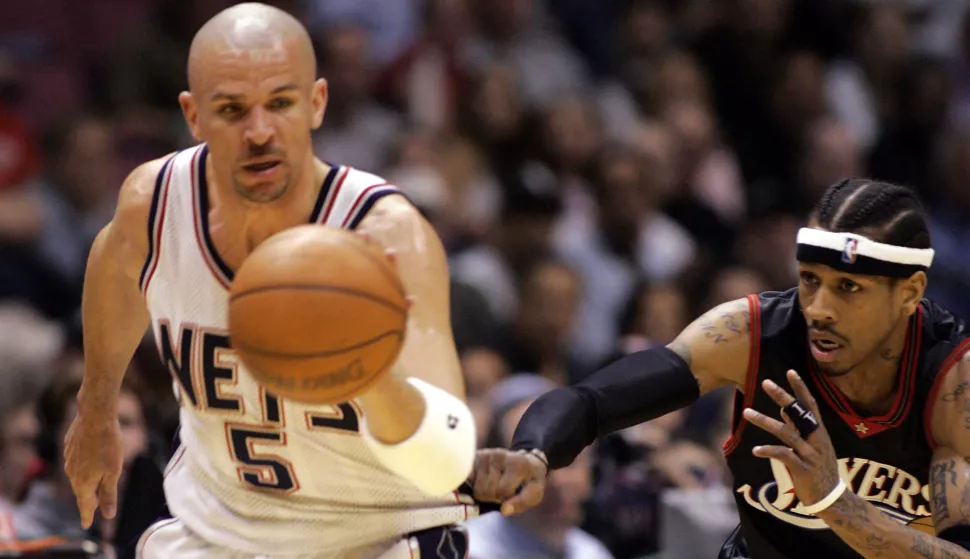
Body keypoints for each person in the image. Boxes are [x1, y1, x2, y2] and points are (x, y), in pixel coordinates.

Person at [63, 3, 477, 558]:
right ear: (193, 115)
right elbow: (114, 269)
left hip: (379, 533)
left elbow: (448, 458)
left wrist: (371, 377)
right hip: (222, 531)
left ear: (317, 102)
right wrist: (96, 408)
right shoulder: (156, 203)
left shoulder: (387, 236)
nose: (259, 132)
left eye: (280, 103)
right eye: (232, 110)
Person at [472, 178, 970, 558]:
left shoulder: (953, 382)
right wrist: (534, 452)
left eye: (849, 288)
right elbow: (592, 401)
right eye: (810, 280)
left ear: (909, 293)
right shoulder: (754, 334)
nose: (818, 308)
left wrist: (833, 501)